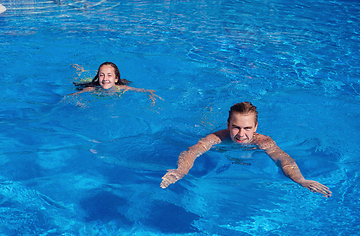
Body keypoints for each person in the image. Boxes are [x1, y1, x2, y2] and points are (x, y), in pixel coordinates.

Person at [160, 102, 332, 198]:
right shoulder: (216, 137)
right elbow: (192, 151)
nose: (241, 134)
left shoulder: (263, 141)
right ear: (228, 125)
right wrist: (180, 171)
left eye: (247, 128)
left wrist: (301, 180)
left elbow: (283, 159)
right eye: (236, 127)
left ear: (256, 127)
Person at [69, 62, 161, 105]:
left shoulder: (122, 88)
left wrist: (151, 95)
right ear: (98, 77)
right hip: (91, 83)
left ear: (116, 79)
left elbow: (147, 91)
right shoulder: (92, 88)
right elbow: (72, 96)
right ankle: (80, 70)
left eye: (109, 75)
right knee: (81, 80)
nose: (105, 79)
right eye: (102, 75)